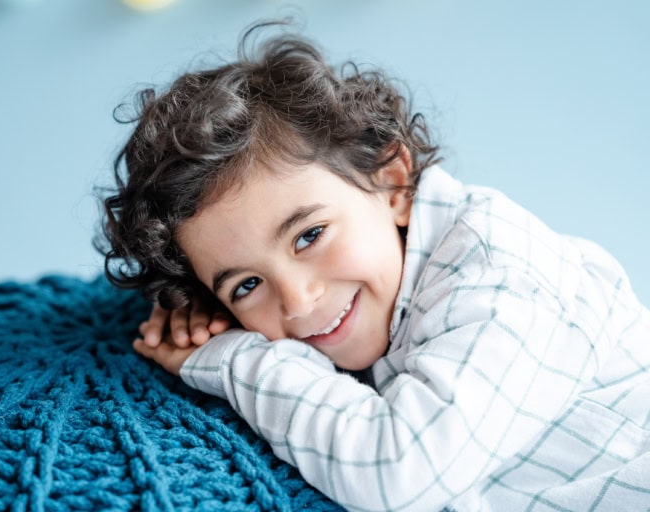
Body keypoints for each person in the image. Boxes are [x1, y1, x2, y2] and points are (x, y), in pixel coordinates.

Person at [98, 20, 650, 511]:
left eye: (309, 235)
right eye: (246, 284)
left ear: (390, 182)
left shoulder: (498, 274)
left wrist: (231, 358)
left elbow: (399, 475)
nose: (296, 301)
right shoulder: (377, 296)